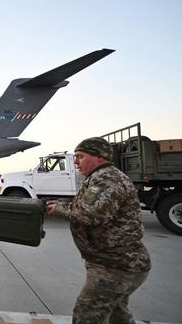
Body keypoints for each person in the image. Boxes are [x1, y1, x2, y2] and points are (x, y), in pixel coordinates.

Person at [46, 137, 151, 324]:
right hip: (118, 262)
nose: (76, 161)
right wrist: (63, 205)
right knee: (117, 313)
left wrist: (60, 210)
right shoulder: (99, 177)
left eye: (80, 156)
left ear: (100, 157)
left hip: (116, 266)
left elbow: (92, 215)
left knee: (87, 314)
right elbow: (90, 206)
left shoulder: (107, 178)